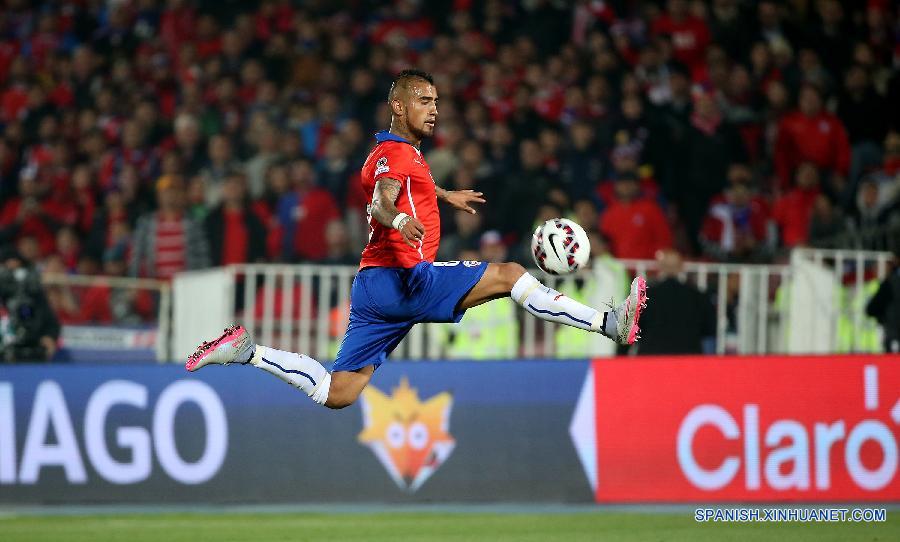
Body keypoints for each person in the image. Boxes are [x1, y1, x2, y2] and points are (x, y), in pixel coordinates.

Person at [185, 70, 647, 409]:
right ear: (399, 106)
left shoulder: (391, 155)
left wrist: (444, 194)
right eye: (424, 100)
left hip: (373, 288)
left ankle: (249, 352)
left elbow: (398, 184)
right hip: (406, 276)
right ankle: (609, 324)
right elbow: (383, 202)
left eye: (437, 101)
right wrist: (398, 221)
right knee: (510, 274)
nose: (435, 109)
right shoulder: (397, 154)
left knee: (337, 392)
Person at [636, 249, 715, 355]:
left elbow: (634, 328)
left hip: (652, 356)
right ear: (681, 267)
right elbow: (709, 329)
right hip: (689, 357)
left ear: (660, 266)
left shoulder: (645, 296)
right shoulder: (698, 296)